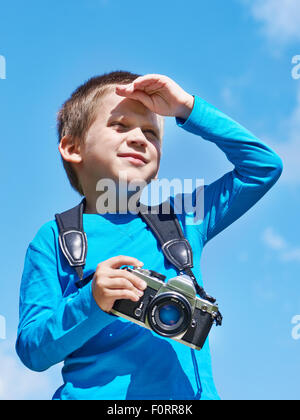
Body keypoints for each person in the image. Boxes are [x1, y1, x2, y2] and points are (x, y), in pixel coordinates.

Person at [16, 71, 283, 400]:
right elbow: (32, 350)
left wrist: (187, 108)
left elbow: (263, 167)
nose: (140, 139)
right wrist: (93, 300)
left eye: (151, 133)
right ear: (73, 147)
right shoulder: (54, 238)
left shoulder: (182, 221)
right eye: (121, 125)